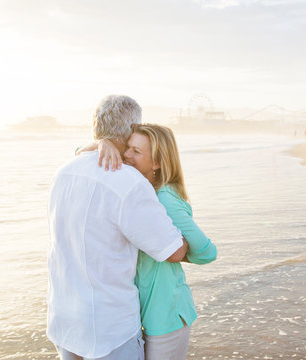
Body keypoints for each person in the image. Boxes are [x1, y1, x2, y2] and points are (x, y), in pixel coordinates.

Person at [47, 95, 189, 360]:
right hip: (108, 330)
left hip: (64, 321)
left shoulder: (64, 171)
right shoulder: (128, 182)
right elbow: (173, 250)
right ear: (132, 129)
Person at [95, 124, 217, 360]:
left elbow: (208, 252)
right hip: (139, 314)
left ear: (157, 163)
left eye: (136, 152)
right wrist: (103, 144)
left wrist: (175, 250)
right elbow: (84, 155)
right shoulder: (139, 191)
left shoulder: (164, 199)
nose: (127, 155)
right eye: (127, 148)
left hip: (167, 315)